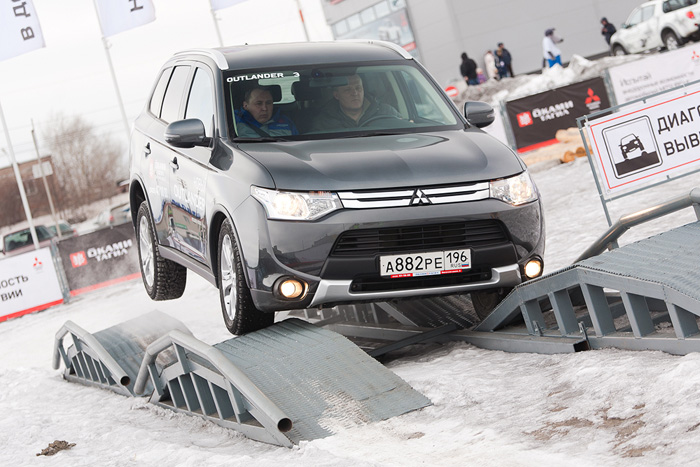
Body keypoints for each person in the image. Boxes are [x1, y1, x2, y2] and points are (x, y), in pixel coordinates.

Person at [311, 74, 401, 130]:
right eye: (347, 90)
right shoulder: (323, 123)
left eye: (358, 88)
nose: (355, 93)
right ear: (336, 95)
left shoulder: (387, 112)